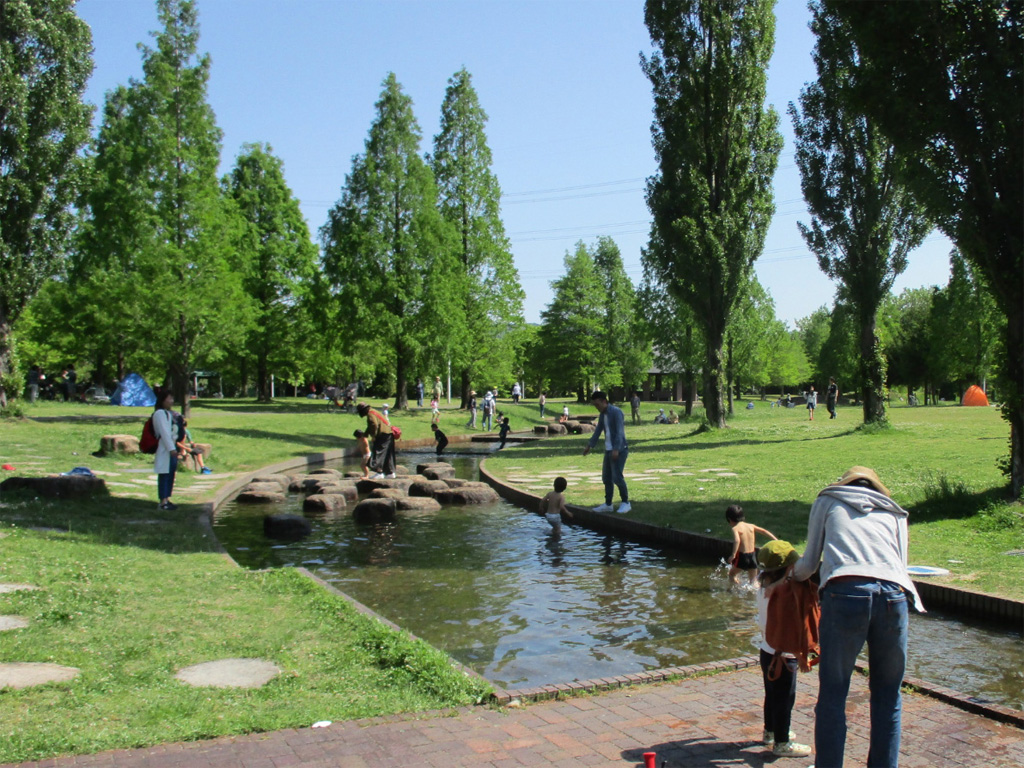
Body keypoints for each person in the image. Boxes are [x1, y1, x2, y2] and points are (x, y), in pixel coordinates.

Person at [791, 466, 924, 768]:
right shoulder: (894, 512)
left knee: (833, 694)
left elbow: (810, 563)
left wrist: (792, 576)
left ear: (845, 483)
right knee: (888, 696)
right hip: (894, 596)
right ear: (877, 488)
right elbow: (899, 565)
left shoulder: (828, 500)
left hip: (845, 592)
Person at [756, 541, 813, 759]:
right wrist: (800, 654)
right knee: (785, 699)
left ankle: (770, 732)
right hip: (783, 655)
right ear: (789, 568)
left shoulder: (762, 587)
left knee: (771, 696)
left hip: (766, 651)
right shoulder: (785, 594)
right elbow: (787, 628)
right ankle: (782, 742)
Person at [582, 391, 630, 514]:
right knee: (606, 478)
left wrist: (616, 449)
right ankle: (608, 504)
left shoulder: (616, 412)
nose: (596, 407)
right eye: (594, 405)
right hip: (608, 450)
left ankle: (625, 502)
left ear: (604, 401)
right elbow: (598, 430)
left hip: (619, 450)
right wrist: (589, 445)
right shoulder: (603, 415)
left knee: (617, 477)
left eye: (597, 404)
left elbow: (620, 432)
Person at [726, 504, 777, 587]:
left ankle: (737, 591)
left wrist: (733, 555)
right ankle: (758, 593)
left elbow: (737, 540)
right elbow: (764, 531)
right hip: (753, 556)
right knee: (753, 581)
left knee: (731, 574)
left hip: (743, 557)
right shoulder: (751, 526)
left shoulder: (735, 528)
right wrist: (775, 539)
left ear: (729, 519)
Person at [152, 388, 179, 510]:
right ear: (163, 400)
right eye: (170, 398)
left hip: (171, 447)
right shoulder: (159, 414)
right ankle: (163, 501)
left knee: (170, 473)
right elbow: (164, 433)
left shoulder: (168, 413)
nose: (171, 401)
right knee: (164, 473)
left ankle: (167, 498)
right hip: (165, 449)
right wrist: (171, 448)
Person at [357, 402, 396, 479]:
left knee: (377, 453)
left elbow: (374, 425)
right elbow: (371, 426)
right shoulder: (374, 411)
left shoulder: (370, 414)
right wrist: (365, 434)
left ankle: (379, 472)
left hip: (383, 435)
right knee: (388, 454)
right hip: (389, 434)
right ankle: (390, 473)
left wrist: (373, 436)